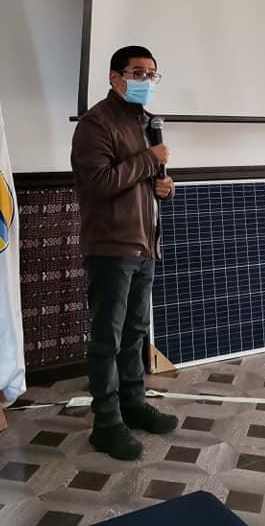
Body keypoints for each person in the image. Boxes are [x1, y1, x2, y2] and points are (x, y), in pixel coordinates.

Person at [70, 45, 179, 460]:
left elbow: (143, 180)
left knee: (135, 334)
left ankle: (133, 405)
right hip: (111, 247)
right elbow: (99, 182)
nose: (146, 81)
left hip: (144, 244)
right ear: (115, 78)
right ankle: (106, 423)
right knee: (107, 338)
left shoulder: (147, 123)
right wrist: (149, 160)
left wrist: (164, 187)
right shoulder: (95, 124)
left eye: (152, 74)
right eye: (137, 73)